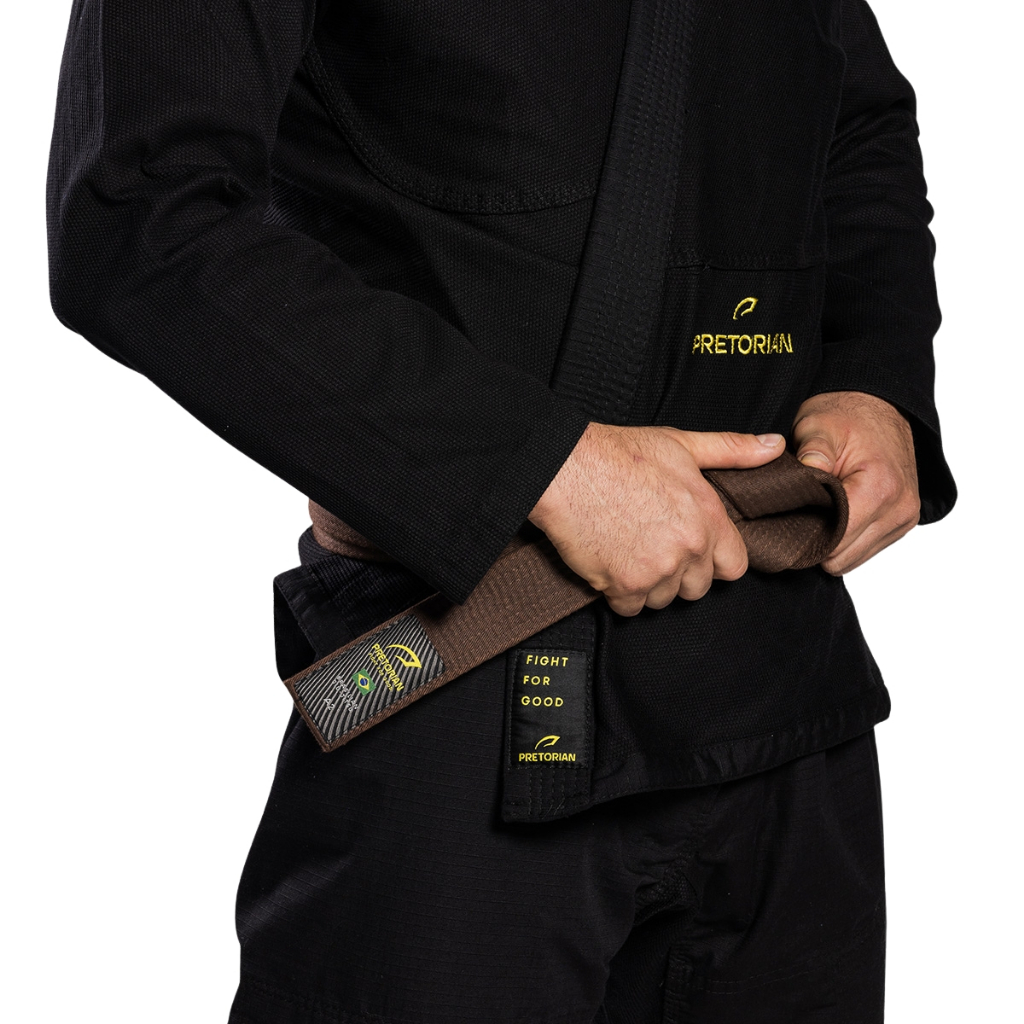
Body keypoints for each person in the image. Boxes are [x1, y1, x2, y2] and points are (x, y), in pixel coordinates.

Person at [46, 0, 955, 1020]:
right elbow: (141, 210)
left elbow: (856, 119)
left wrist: (877, 376)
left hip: (786, 689)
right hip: (467, 676)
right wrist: (541, 467)